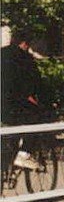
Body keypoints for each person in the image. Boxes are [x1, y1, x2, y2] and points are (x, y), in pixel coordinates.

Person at [0, 30, 48, 170]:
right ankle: (24, 154)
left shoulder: (2, 53)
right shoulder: (24, 58)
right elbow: (37, 84)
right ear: (25, 43)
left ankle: (9, 160)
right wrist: (46, 101)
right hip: (13, 103)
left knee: (12, 127)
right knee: (36, 118)